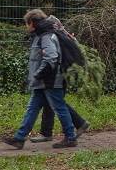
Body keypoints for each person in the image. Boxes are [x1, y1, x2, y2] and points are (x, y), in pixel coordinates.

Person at [3, 9, 78, 149]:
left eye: (27, 23)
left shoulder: (46, 36)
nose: (26, 27)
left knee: (60, 107)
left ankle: (70, 137)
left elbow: (51, 57)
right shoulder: (40, 35)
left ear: (32, 22)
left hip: (50, 80)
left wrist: (38, 74)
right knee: (32, 109)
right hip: (42, 82)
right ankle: (19, 138)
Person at [29, 15, 90, 143]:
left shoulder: (54, 36)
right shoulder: (60, 35)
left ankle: (73, 129)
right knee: (53, 102)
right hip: (58, 74)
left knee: (57, 103)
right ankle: (48, 132)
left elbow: (53, 57)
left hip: (57, 75)